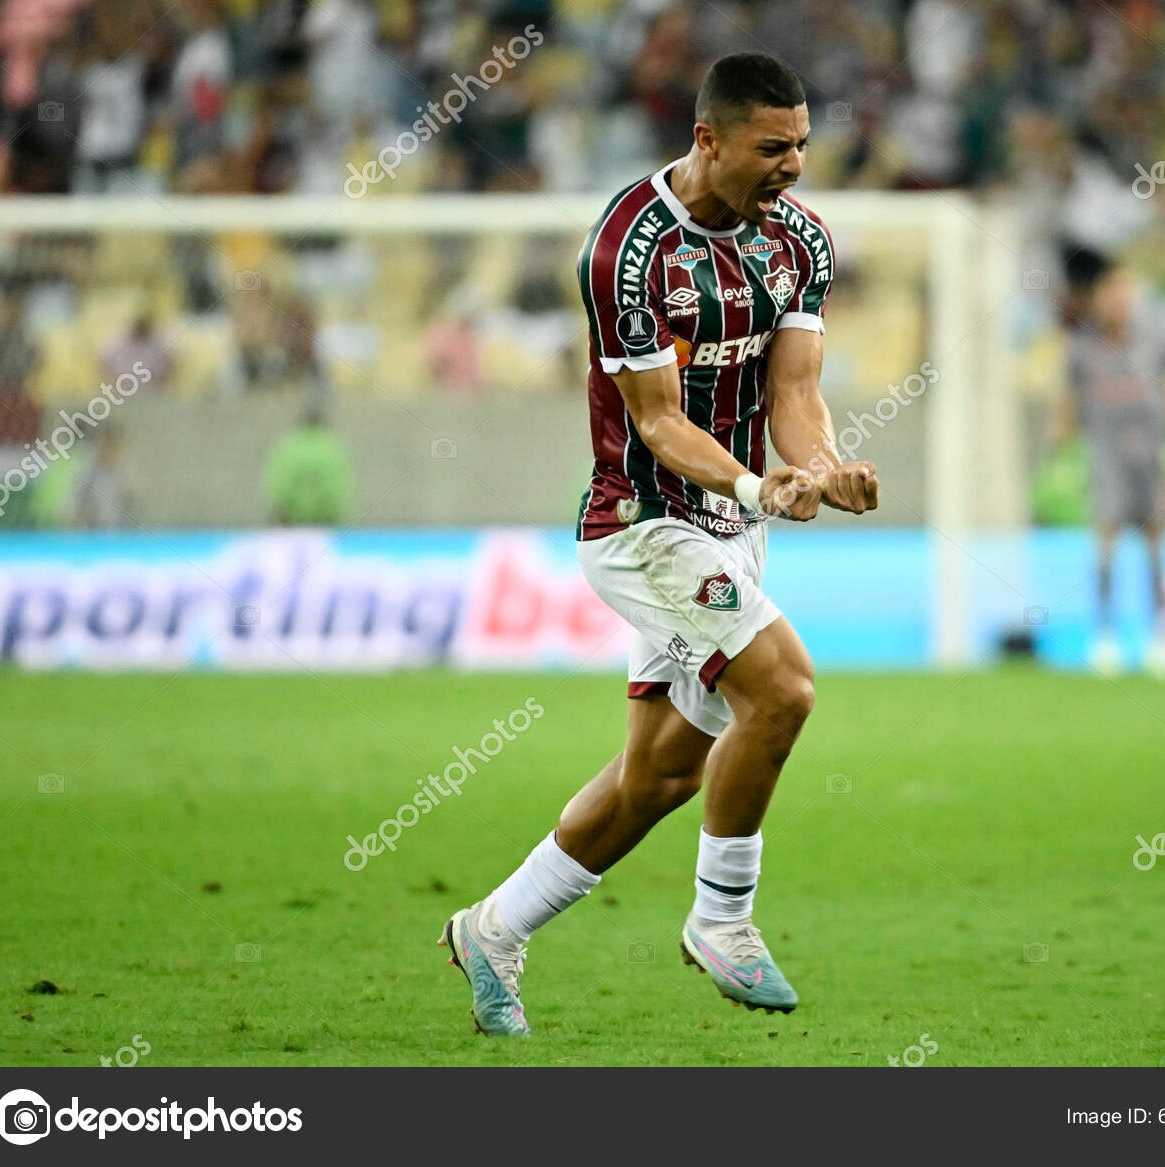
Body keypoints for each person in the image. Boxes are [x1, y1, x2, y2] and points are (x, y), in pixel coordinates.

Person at [439, 53, 878, 1036]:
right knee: (784, 689)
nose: (793, 165)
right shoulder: (627, 248)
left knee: (663, 776)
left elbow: (795, 394)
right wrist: (765, 483)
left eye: (802, 144)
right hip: (642, 526)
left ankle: (491, 928)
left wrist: (821, 469)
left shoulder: (799, 241)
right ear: (708, 138)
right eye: (773, 147)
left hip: (730, 533)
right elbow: (655, 421)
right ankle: (722, 919)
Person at [1058, 249, 1165, 676]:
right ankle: (1105, 637)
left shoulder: (1154, 342)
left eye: (1123, 292)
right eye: (1109, 293)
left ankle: (1162, 638)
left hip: (1151, 454)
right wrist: (1063, 451)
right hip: (1105, 456)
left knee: (1156, 542)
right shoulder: (1083, 348)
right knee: (1106, 541)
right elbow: (1068, 402)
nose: (1117, 301)